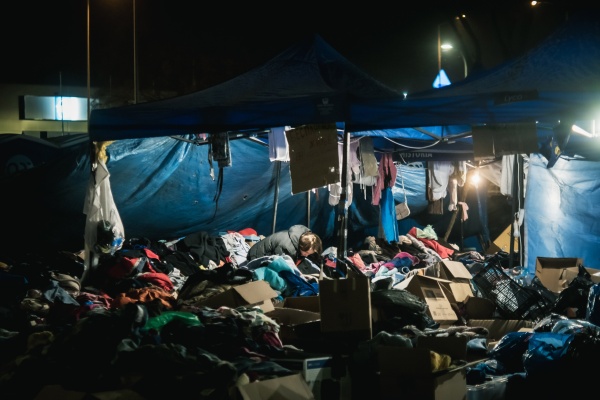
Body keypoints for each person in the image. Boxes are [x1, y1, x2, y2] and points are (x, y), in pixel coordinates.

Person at [246, 224, 322, 268]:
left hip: (267, 252)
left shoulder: (299, 237)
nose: (306, 255)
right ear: (301, 246)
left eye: (309, 254)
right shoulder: (287, 248)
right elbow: (278, 265)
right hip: (255, 256)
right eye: (306, 252)